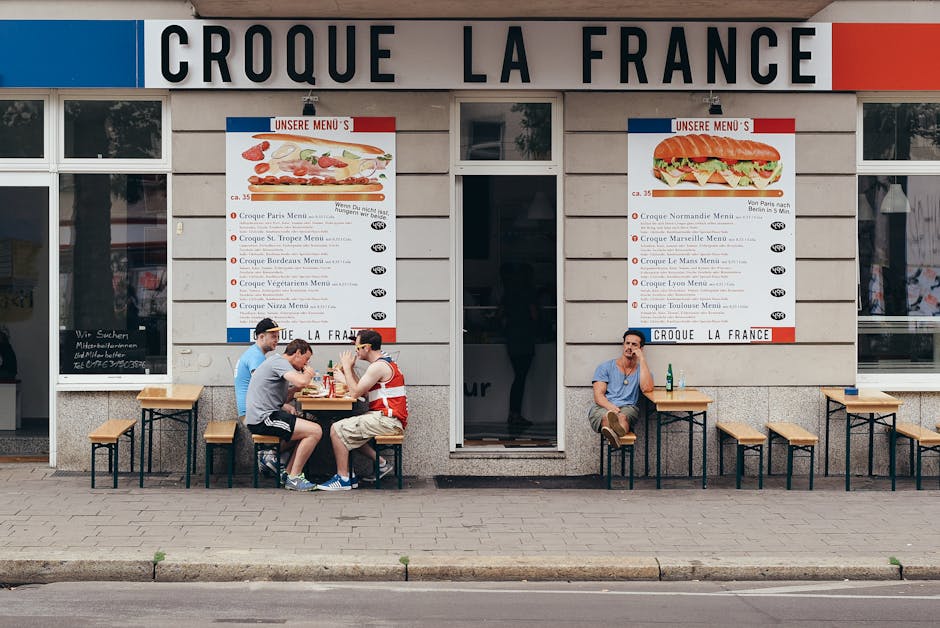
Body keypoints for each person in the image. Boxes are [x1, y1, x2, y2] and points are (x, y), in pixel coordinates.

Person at [318, 329, 405, 491]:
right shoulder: (382, 363)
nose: (355, 351)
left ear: (367, 348)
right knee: (344, 427)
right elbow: (363, 390)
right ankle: (375, 466)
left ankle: (343, 479)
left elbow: (356, 392)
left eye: (357, 348)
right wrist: (349, 372)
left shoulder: (378, 366)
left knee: (336, 429)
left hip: (387, 420)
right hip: (386, 418)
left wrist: (345, 369)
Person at [244, 338, 322, 491]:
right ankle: (294, 478)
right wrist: (308, 375)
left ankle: (289, 475)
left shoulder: (279, 364)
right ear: (298, 353)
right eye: (306, 359)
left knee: (307, 431)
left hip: (266, 415)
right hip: (263, 419)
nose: (306, 364)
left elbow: (282, 399)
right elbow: (300, 381)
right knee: (315, 431)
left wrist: (295, 391)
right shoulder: (279, 362)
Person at [234, 318, 283, 476]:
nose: (277, 340)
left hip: (248, 411)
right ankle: (269, 459)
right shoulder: (257, 357)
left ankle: (269, 457)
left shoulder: (253, 353)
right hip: (252, 414)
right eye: (273, 336)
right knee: (299, 428)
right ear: (261, 337)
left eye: (277, 336)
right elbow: (264, 389)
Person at [589, 329, 654, 448]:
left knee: (623, 417)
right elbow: (598, 396)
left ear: (641, 348)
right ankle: (616, 431)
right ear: (623, 345)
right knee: (607, 417)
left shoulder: (643, 371)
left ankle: (612, 434)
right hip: (604, 406)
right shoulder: (605, 367)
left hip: (628, 407)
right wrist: (612, 408)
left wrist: (642, 359)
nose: (629, 347)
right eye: (627, 343)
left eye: (634, 344)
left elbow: (647, 388)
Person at [500, 262, 537, 430]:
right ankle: (515, 414)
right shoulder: (528, 293)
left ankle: (513, 413)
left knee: (518, 377)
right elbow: (534, 315)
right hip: (525, 338)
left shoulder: (508, 294)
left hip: (512, 339)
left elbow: (500, 315)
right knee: (520, 377)